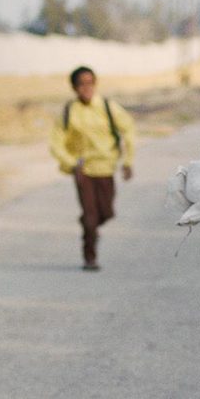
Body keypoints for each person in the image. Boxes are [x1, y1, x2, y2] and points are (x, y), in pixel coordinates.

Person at [49, 66, 136, 271]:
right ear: (74, 87)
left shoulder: (107, 107)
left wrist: (128, 161)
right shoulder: (69, 111)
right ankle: (90, 256)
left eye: (90, 83)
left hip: (106, 168)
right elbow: (56, 142)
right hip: (83, 170)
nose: (86, 88)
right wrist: (70, 163)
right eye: (81, 84)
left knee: (106, 213)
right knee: (90, 216)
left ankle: (90, 224)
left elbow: (129, 129)